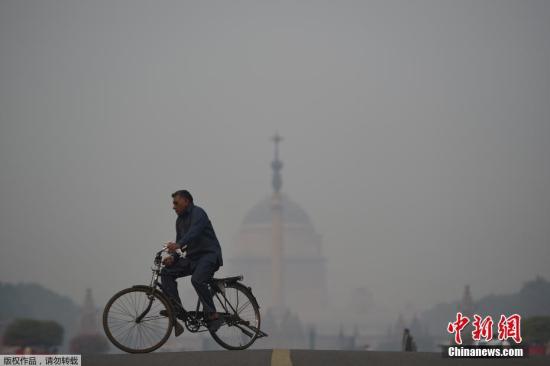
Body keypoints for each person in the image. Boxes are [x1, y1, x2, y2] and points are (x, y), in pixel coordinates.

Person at [160, 190, 224, 331]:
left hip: (209, 256)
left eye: (176, 203)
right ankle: (176, 309)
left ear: (186, 201)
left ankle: (213, 315)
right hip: (193, 258)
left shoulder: (198, 213)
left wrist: (178, 245)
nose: (173, 207)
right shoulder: (179, 221)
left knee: (197, 280)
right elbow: (181, 245)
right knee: (165, 272)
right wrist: (173, 258)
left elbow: (193, 233)